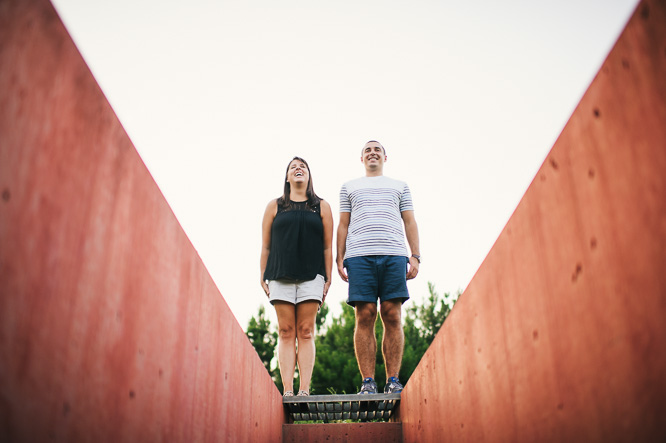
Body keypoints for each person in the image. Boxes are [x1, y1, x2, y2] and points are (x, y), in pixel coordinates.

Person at [336, 140, 420, 394]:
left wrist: (415, 255)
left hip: (394, 254)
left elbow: (410, 221)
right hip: (359, 256)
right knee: (365, 314)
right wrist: (339, 259)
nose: (372, 153)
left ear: (385, 156)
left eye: (377, 150)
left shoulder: (399, 186)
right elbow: (343, 224)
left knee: (392, 314)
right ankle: (368, 382)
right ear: (362, 159)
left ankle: (393, 380)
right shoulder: (349, 187)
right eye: (367, 150)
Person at [260, 156, 333, 397]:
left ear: (309, 176)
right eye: (293, 167)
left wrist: (328, 277)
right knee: (285, 330)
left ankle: (304, 389)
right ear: (287, 177)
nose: (298, 169)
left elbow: (327, 247)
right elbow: (266, 246)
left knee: (306, 330)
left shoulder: (322, 206)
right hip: (279, 274)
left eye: (303, 166)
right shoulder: (275, 206)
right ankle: (288, 390)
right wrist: (262, 274)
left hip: (312, 275)